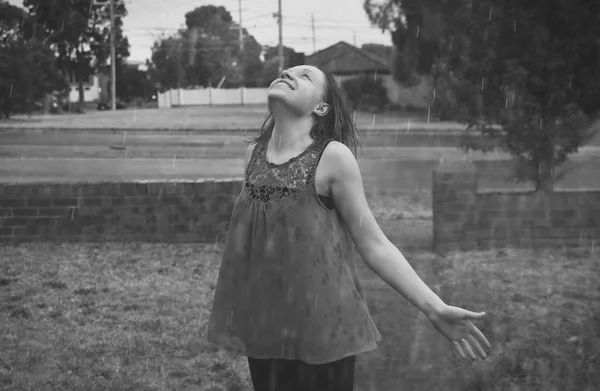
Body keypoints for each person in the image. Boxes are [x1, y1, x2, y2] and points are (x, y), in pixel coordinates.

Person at [207, 65, 492, 391]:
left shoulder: (333, 157)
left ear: (321, 108)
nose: (288, 73)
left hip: (325, 330)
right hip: (266, 329)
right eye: (288, 70)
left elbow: (374, 244)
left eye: (305, 76)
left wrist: (434, 307)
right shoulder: (251, 156)